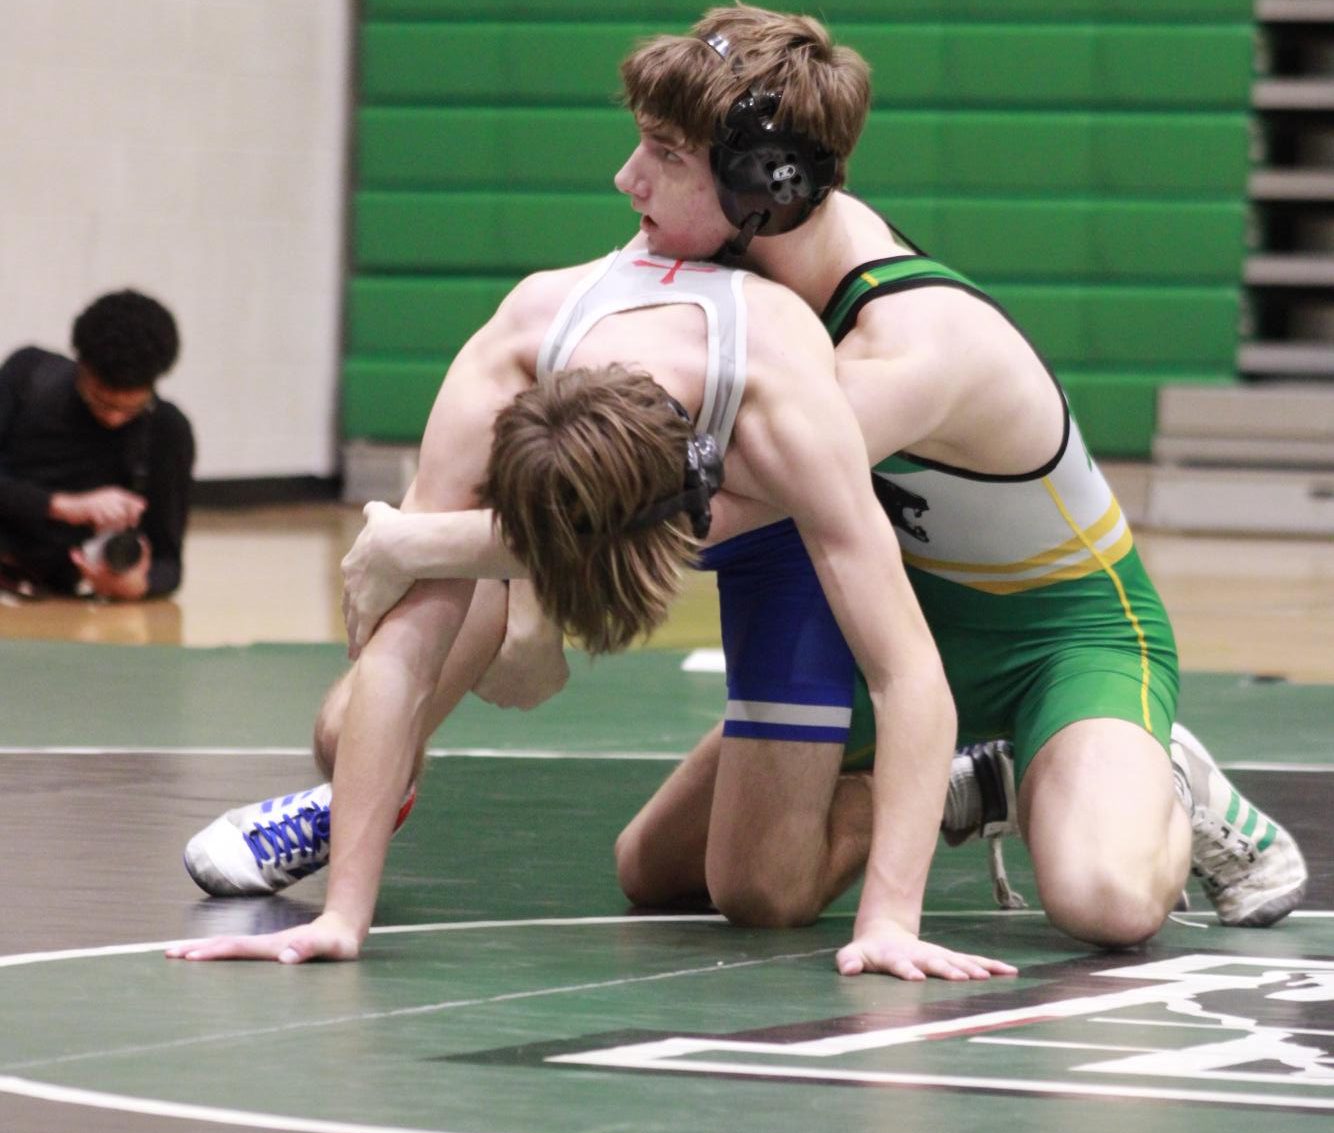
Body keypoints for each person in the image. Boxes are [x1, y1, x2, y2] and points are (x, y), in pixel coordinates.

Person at [319, 4, 1306, 942]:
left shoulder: (906, 347)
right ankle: (986, 777)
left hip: (1062, 633)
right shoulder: (734, 273)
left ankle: (1165, 779)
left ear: (764, 186)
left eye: (662, 157)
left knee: (1101, 900)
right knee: (670, 872)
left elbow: (675, 512)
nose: (626, 181)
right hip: (897, 621)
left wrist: (422, 538)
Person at [169, 208, 1017, 983]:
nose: (627, 183)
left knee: (764, 891)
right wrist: (341, 914)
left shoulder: (782, 402)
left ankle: (955, 784)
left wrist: (891, 921)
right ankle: (359, 798)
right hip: (595, 474)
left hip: (776, 542)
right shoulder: (518, 344)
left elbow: (905, 668)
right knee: (361, 735)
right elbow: (405, 652)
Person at [0, 290, 193, 601]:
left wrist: (137, 584)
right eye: (100, 402)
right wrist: (63, 506)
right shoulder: (28, 376)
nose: (114, 418)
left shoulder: (166, 430)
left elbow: (169, 564)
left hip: (60, 595)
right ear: (82, 366)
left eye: (130, 409)